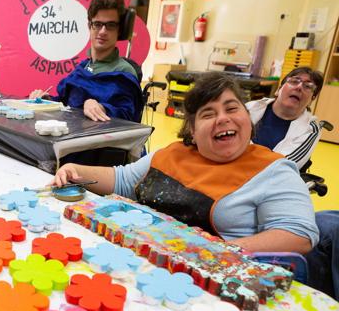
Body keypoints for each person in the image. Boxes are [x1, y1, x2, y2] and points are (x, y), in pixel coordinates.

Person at [52, 72, 318, 257]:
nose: (222, 119)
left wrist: (213, 252)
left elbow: (298, 235)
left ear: (248, 117)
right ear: (192, 129)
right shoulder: (174, 153)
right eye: (208, 114)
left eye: (232, 108)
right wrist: (76, 170)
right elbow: (122, 180)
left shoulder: (273, 169)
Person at [29, 0, 142, 122]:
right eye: (98, 24)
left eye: (110, 25)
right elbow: (65, 104)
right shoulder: (82, 68)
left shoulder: (124, 71)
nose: (103, 31)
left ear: (119, 30)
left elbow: (128, 115)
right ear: (90, 26)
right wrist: (45, 99)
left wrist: (102, 108)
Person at [246, 67, 324, 170]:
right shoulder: (249, 108)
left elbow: (283, 166)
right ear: (279, 90)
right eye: (294, 81)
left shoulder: (310, 130)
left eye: (308, 86)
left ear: (311, 100)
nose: (299, 87)